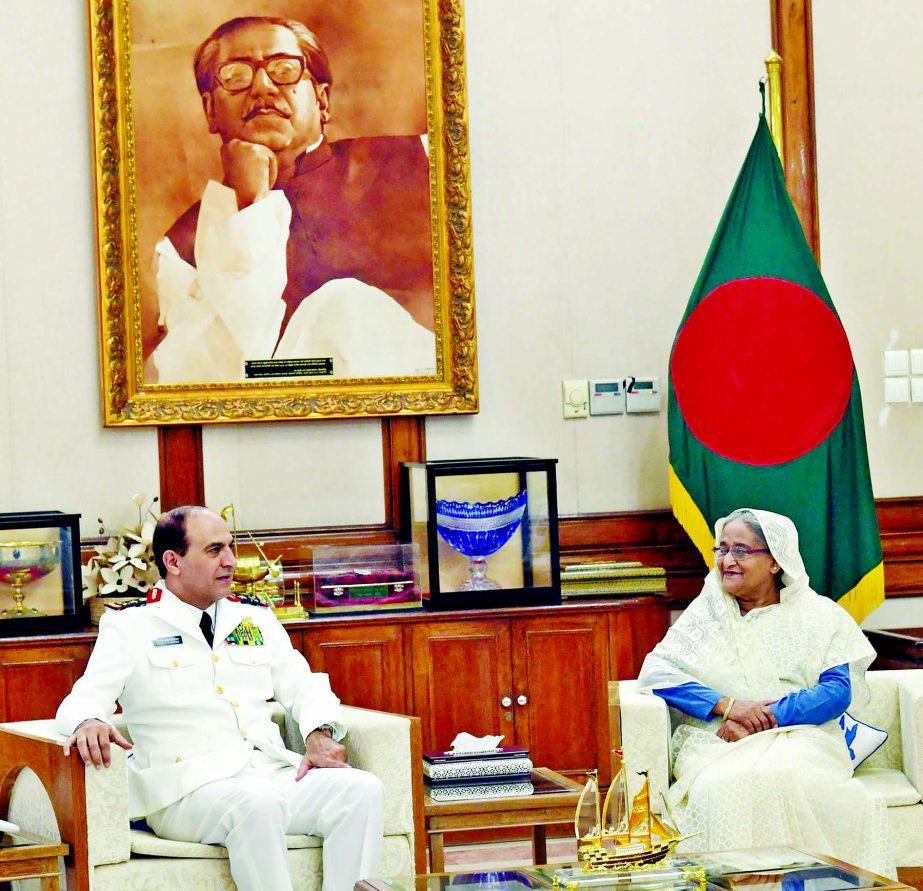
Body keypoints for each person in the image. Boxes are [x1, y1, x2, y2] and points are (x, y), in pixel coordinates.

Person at [56, 505, 384, 891]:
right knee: (256, 804)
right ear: (173, 561)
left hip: (267, 773)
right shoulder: (131, 626)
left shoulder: (254, 618)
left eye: (230, 547)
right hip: (184, 790)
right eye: (214, 551)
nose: (231, 561)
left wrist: (320, 732)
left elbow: (304, 684)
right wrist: (89, 721)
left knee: (361, 791)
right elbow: (82, 700)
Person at [149, 15, 437, 383]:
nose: (263, 87)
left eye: (284, 69)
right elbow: (209, 378)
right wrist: (248, 206)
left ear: (322, 99)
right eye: (235, 76)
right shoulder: (180, 249)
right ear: (210, 111)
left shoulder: (424, 161)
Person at [638, 508, 894, 876]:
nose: (727, 560)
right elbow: (657, 674)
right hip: (718, 739)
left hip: (803, 736)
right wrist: (728, 707)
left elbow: (837, 693)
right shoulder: (706, 615)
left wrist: (763, 719)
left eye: (741, 550)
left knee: (790, 775)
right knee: (718, 786)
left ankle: (807, 881)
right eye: (722, 549)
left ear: (776, 561)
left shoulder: (819, 614)